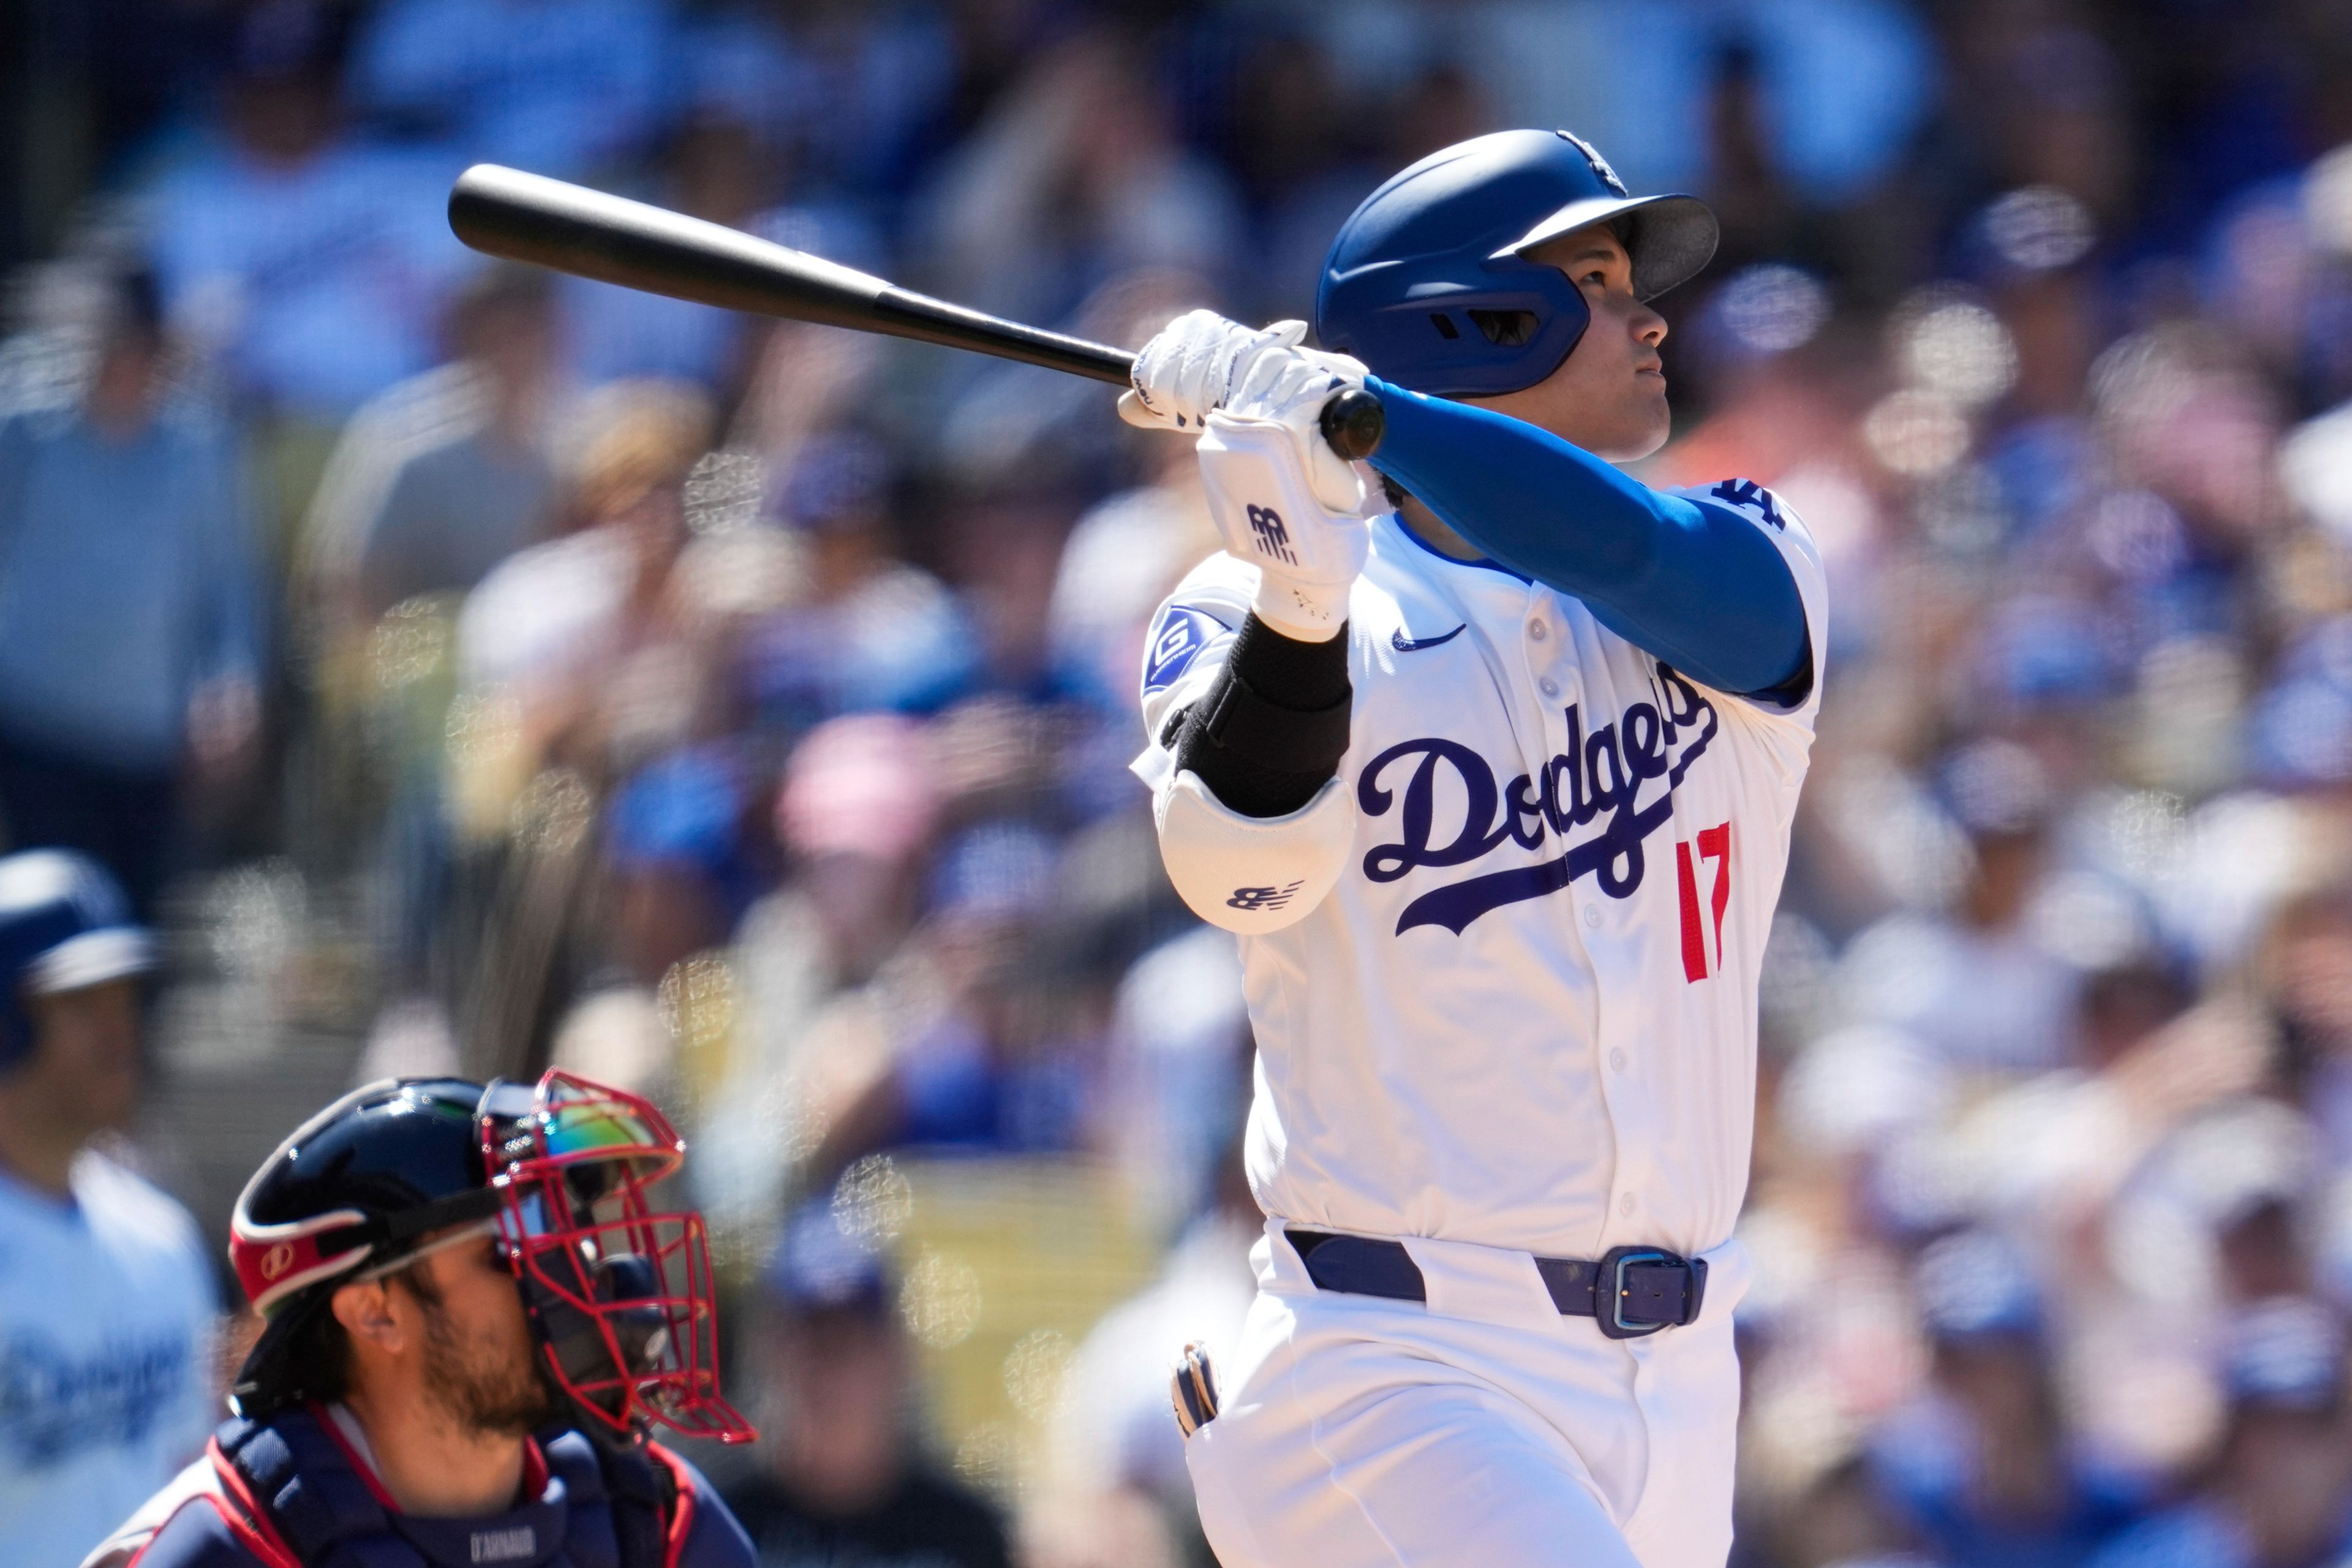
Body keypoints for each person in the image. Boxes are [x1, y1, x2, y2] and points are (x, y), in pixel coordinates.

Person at [1119, 130, 1825, 1568]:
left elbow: (1642, 567)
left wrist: (1367, 416)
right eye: (1591, 280)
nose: (1649, 319)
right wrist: (1300, 604)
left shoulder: (1738, 548)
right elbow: (1234, 868)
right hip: (1390, 1360)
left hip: (1681, 1375)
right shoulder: (1269, 601)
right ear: (1466, 320)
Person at [83, 1070, 760, 1568]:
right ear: (375, 1312)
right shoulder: (230, 1545)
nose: (581, 1273)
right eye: (514, 1246)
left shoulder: (653, 1521)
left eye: (568, 1235)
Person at [0, 265, 263, 914]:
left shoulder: (200, 445)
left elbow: (229, 581)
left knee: (132, 923)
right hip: (32, 722)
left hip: (147, 733)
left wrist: (230, 684)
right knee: (38, 925)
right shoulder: (23, 431)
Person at [0, 850, 215, 1568]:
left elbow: (192, 1480)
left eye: (126, 998)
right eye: (82, 1004)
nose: (120, 1031)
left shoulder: (161, 1239)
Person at [720, 1202, 1011, 1568]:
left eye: (851, 1344)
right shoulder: (716, 1517)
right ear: (765, 1350)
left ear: (898, 1355)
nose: (830, 1372)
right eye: (813, 1344)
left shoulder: (965, 1530)